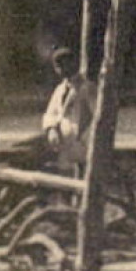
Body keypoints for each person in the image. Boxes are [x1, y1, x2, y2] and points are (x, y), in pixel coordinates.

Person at [40, 47, 95, 175]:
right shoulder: (60, 89)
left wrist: (83, 137)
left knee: (83, 176)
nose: (59, 69)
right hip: (64, 144)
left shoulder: (87, 88)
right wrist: (51, 129)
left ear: (73, 64)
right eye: (56, 66)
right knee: (64, 175)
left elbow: (97, 116)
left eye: (63, 64)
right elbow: (50, 113)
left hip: (82, 143)